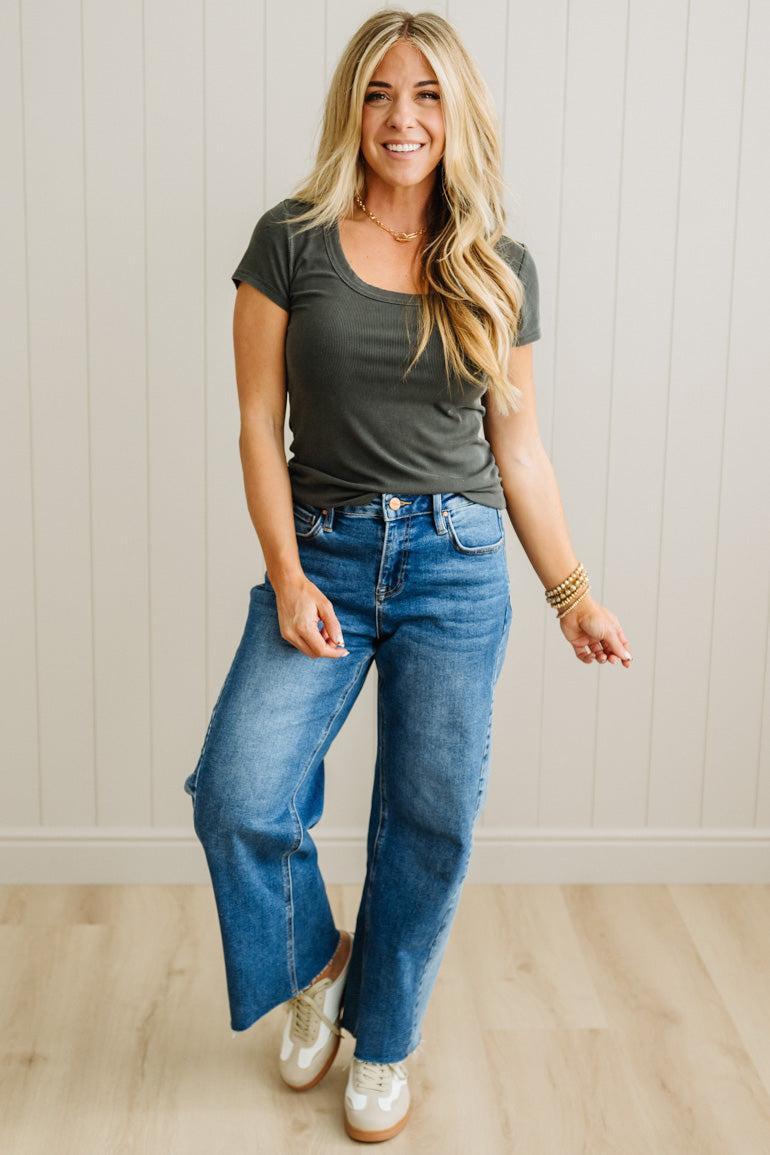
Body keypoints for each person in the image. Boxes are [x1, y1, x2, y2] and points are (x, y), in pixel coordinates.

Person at [183, 8, 632, 1145]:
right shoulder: (290, 239)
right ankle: (325, 967)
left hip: (458, 561)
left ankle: (382, 1040)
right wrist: (286, 576)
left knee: (428, 816)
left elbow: (517, 449)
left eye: (425, 94)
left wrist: (572, 593)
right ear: (353, 107)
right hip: (323, 546)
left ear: (455, 114)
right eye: (380, 93)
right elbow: (254, 424)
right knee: (240, 790)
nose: (401, 117)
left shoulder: (497, 265)